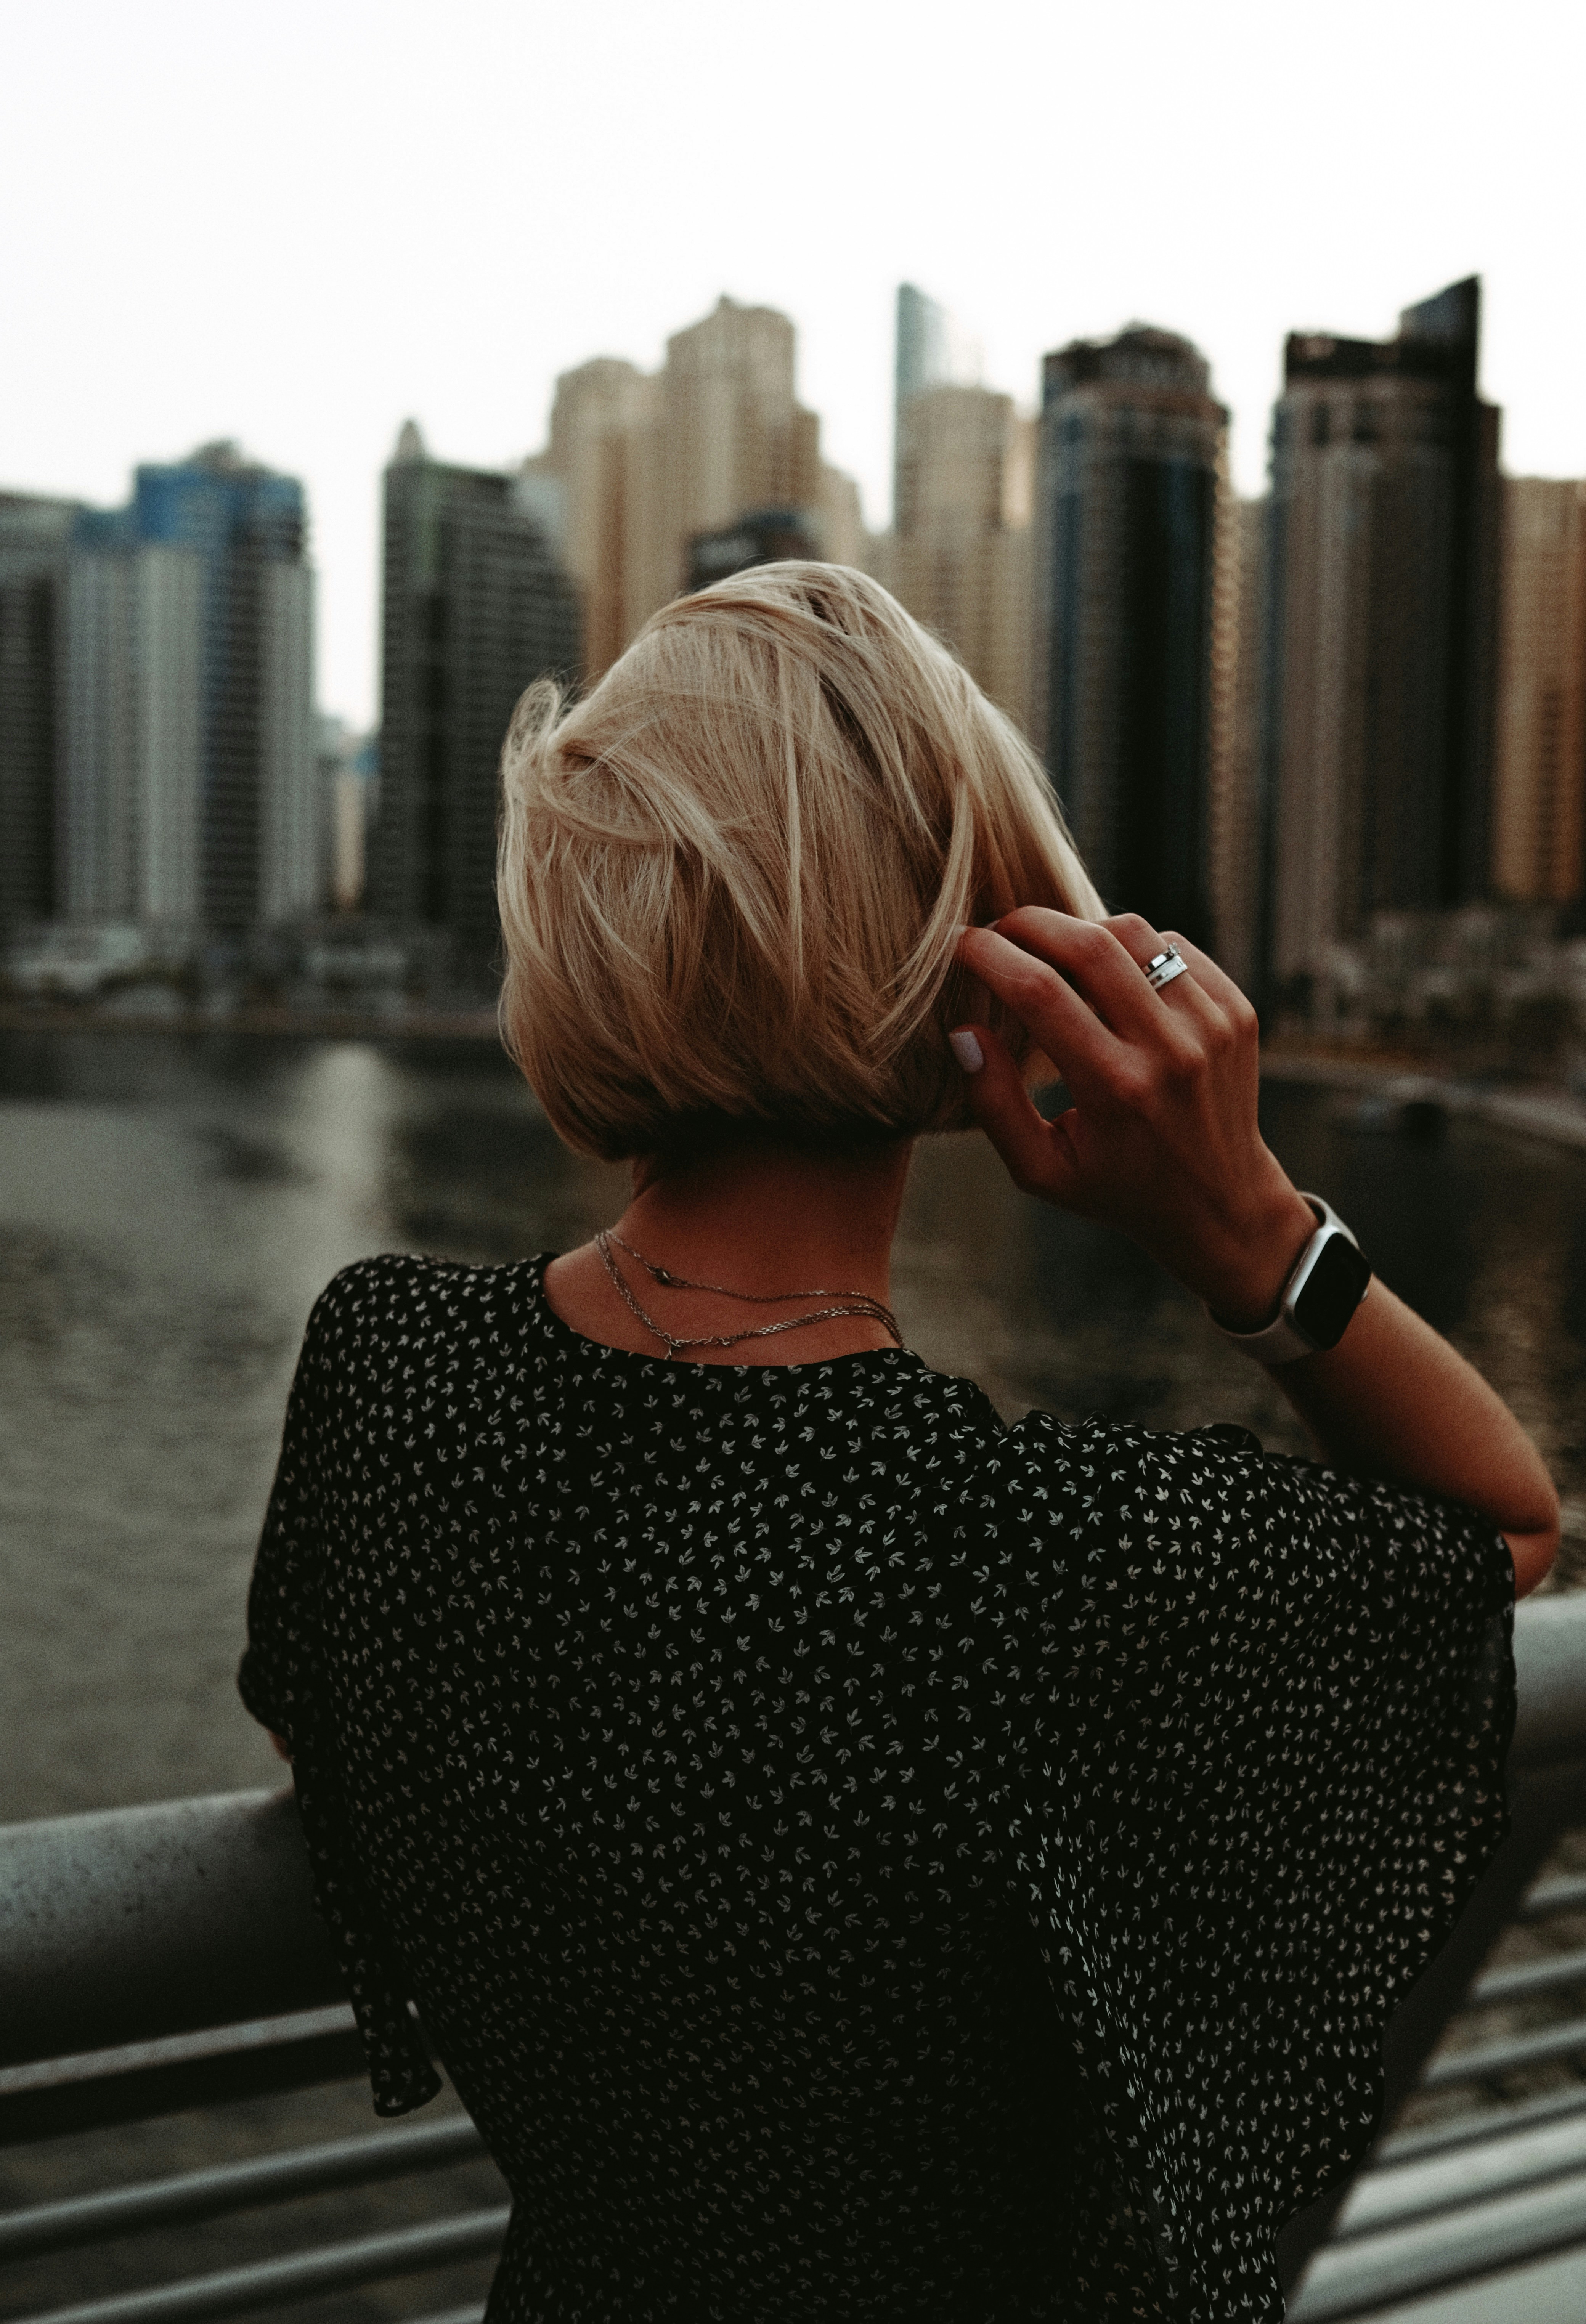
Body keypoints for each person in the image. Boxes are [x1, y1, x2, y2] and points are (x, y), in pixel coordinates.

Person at [241, 562, 1558, 2324]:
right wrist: (1237, 1222)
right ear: (975, 964)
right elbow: (1497, 1528)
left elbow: (319, 1712)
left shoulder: (384, 1368)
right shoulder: (1019, 1558)